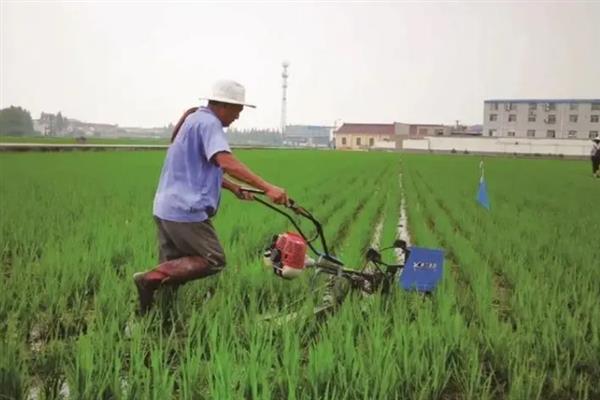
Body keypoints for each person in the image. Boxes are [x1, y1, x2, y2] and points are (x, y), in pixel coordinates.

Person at [133, 80, 289, 315]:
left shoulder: (194, 120)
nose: (237, 117)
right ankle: (146, 279)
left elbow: (198, 168)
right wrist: (267, 187)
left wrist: (233, 187)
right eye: (238, 110)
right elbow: (225, 161)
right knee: (213, 259)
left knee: (171, 273)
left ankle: (153, 320)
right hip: (186, 211)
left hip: (167, 208)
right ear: (225, 105)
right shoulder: (209, 123)